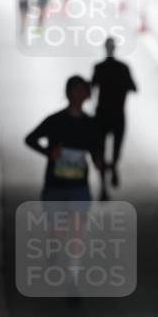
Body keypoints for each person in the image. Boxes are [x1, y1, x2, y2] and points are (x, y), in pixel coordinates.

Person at [24, 77, 103, 298]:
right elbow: (30, 139)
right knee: (58, 233)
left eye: (83, 91)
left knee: (76, 234)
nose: (79, 95)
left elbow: (96, 148)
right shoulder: (55, 121)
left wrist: (98, 161)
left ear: (87, 95)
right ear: (68, 93)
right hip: (55, 187)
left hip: (79, 188)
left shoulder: (90, 124)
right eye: (75, 91)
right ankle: (55, 249)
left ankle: (73, 281)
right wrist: (49, 153)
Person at [91, 37, 137, 198]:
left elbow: (91, 89)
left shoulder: (99, 67)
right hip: (118, 113)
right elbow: (134, 88)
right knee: (116, 148)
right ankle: (114, 166)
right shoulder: (123, 68)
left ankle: (103, 186)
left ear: (105, 49)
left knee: (101, 149)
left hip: (102, 113)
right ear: (115, 49)